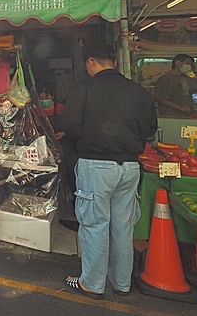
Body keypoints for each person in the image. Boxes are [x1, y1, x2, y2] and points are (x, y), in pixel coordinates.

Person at [60, 43, 158, 299]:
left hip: (95, 165)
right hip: (129, 167)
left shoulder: (83, 90)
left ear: (91, 62)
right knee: (123, 226)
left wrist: (89, 137)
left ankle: (91, 283)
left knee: (94, 224)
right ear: (114, 62)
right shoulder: (140, 92)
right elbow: (150, 128)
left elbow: (70, 125)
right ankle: (121, 282)